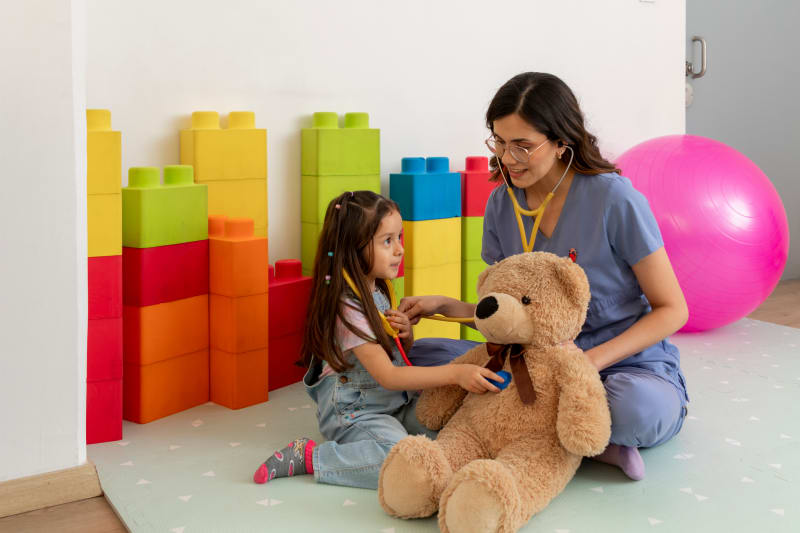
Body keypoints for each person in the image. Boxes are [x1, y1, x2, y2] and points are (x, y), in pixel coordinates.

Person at [401, 72, 690, 481]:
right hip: (532, 363)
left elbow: (673, 309)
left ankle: (527, 431)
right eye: (499, 142)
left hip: (619, 363)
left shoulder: (614, 199)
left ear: (561, 142)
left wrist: (588, 363)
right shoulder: (502, 203)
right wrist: (446, 307)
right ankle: (576, 441)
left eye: (522, 145)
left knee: (634, 410)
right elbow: (511, 315)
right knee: (422, 358)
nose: (508, 158)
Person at [253, 190, 502, 489]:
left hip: (394, 404)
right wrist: (456, 374)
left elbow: (393, 357)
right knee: (399, 460)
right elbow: (389, 375)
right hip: (357, 412)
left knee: (447, 437)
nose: (399, 250)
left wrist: (406, 337)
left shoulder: (378, 292)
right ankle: (309, 457)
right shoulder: (348, 309)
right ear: (353, 248)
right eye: (387, 241)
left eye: (399, 238)